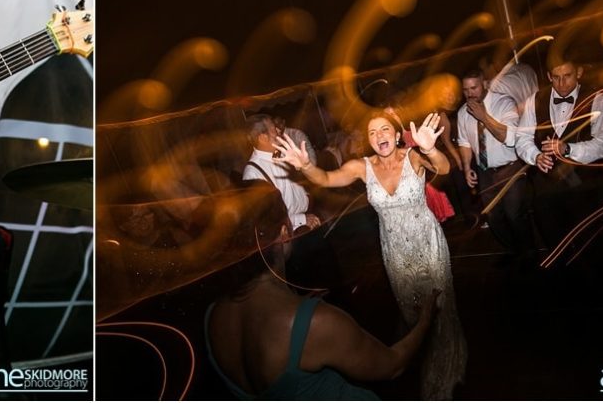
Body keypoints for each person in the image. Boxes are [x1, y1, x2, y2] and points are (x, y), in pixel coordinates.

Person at [273, 113, 468, 399]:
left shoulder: (413, 157)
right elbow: (325, 178)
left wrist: (430, 149)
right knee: (412, 311)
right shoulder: (362, 167)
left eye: (384, 129)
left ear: (396, 135)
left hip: (428, 244)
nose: (379, 136)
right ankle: (420, 354)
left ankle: (446, 367)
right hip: (394, 251)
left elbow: (444, 168)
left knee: (440, 306)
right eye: (372, 132)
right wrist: (305, 166)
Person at [204, 224, 439, 400]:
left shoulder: (212, 316)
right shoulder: (315, 324)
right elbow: (393, 365)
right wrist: (425, 319)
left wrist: (299, 308)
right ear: (285, 234)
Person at [516, 56, 603, 256]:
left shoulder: (596, 99)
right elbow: (522, 138)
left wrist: (568, 149)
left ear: (579, 73)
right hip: (546, 190)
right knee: (555, 247)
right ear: (548, 76)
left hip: (583, 186)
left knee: (589, 245)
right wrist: (536, 156)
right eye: (556, 77)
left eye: (567, 76)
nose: (561, 83)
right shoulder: (535, 100)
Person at [455, 67, 538, 265]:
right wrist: (467, 168)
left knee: (514, 214)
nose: (469, 94)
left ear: (485, 84)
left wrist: (484, 116)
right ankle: (512, 250)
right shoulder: (463, 113)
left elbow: (509, 137)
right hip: (485, 172)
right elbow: (464, 142)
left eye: (474, 88)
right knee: (493, 217)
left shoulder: (504, 103)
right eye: (465, 90)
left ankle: (530, 254)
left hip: (510, 168)